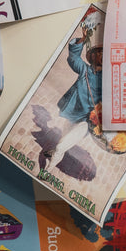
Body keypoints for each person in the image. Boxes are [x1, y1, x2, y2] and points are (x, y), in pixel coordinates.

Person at [47, 20, 103, 170]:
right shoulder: (85, 70)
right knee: (63, 140)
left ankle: (47, 171)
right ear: (93, 56)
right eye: (100, 53)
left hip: (87, 122)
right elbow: (73, 58)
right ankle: (54, 153)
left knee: (61, 146)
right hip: (73, 114)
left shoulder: (108, 80)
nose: (103, 56)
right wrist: (83, 38)